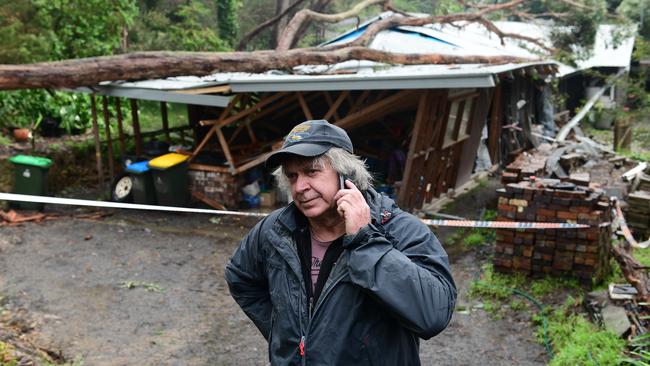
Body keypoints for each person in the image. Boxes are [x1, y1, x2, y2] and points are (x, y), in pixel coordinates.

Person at [225, 120, 456, 365]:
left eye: (312, 171)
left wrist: (365, 240)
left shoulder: (399, 230)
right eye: (292, 176)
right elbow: (240, 278)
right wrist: (286, 335)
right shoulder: (276, 229)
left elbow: (434, 315)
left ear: (346, 173)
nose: (300, 187)